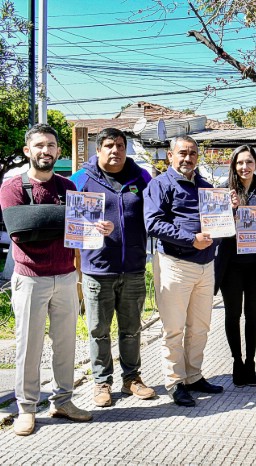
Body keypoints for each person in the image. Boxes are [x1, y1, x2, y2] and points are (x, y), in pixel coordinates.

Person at [0, 124, 93, 436]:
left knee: (66, 344)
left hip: (66, 276)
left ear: (58, 150)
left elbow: (79, 229)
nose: (46, 150)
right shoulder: (13, 187)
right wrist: (63, 219)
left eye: (51, 145)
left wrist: (95, 227)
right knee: (29, 345)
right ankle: (26, 408)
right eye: (39, 145)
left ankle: (63, 401)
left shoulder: (68, 186)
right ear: (28, 151)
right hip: (30, 279)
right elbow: (20, 230)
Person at [70, 128, 156, 408]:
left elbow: (156, 210)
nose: (115, 150)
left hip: (132, 268)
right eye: (109, 145)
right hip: (97, 268)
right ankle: (101, 382)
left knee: (131, 329)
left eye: (120, 145)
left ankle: (131, 378)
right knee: (98, 330)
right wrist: (89, 227)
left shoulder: (141, 177)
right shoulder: (80, 179)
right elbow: (67, 219)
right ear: (98, 150)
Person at [144, 136, 223, 408]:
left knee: (200, 327)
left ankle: (194, 376)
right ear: (170, 156)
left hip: (206, 265)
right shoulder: (160, 185)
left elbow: (219, 224)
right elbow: (153, 223)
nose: (187, 158)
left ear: (197, 158)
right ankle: (175, 382)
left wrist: (227, 215)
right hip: (175, 264)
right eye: (182, 153)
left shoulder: (207, 187)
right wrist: (191, 239)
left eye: (192, 154)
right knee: (174, 329)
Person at [215, 145, 256, 388]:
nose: (244, 167)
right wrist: (230, 210)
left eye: (249, 162)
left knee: (253, 315)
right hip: (230, 265)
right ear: (233, 165)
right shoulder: (223, 190)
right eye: (240, 162)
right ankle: (236, 361)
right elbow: (215, 228)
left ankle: (251, 362)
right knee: (233, 315)